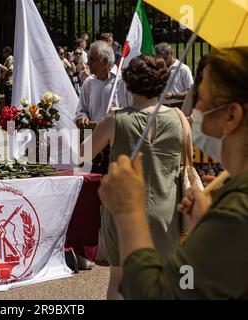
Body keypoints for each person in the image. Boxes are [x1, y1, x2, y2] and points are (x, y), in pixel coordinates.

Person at [98, 47, 248, 299]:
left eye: (203, 97)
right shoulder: (231, 198)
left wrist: (129, 216)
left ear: (231, 115)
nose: (195, 105)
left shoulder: (235, 211)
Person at [84, 54, 187, 299]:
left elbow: (82, 154)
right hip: (166, 209)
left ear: (129, 84)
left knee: (119, 278)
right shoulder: (180, 118)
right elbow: (185, 160)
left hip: (124, 211)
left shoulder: (115, 120)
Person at [75, 40, 131, 128]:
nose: (88, 63)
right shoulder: (89, 82)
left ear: (105, 61)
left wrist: (119, 115)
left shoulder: (124, 81)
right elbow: (81, 109)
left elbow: (135, 113)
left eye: (92, 59)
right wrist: (82, 116)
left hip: (118, 137)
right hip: (93, 137)